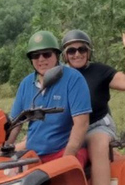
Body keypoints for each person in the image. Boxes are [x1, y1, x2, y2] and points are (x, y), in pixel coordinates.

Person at [62, 28, 125, 185]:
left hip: (97, 124)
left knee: (98, 145)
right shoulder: (60, 76)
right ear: (65, 55)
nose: (77, 54)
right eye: (71, 51)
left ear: (88, 52)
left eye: (82, 49)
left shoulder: (100, 71)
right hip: (71, 129)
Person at [7, 31, 91, 165]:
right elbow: (15, 125)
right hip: (33, 154)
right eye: (35, 55)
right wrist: (3, 150)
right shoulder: (26, 83)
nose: (41, 59)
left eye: (46, 54)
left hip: (63, 151)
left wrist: (67, 158)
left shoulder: (73, 79)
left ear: (57, 55)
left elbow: (81, 124)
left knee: (63, 183)